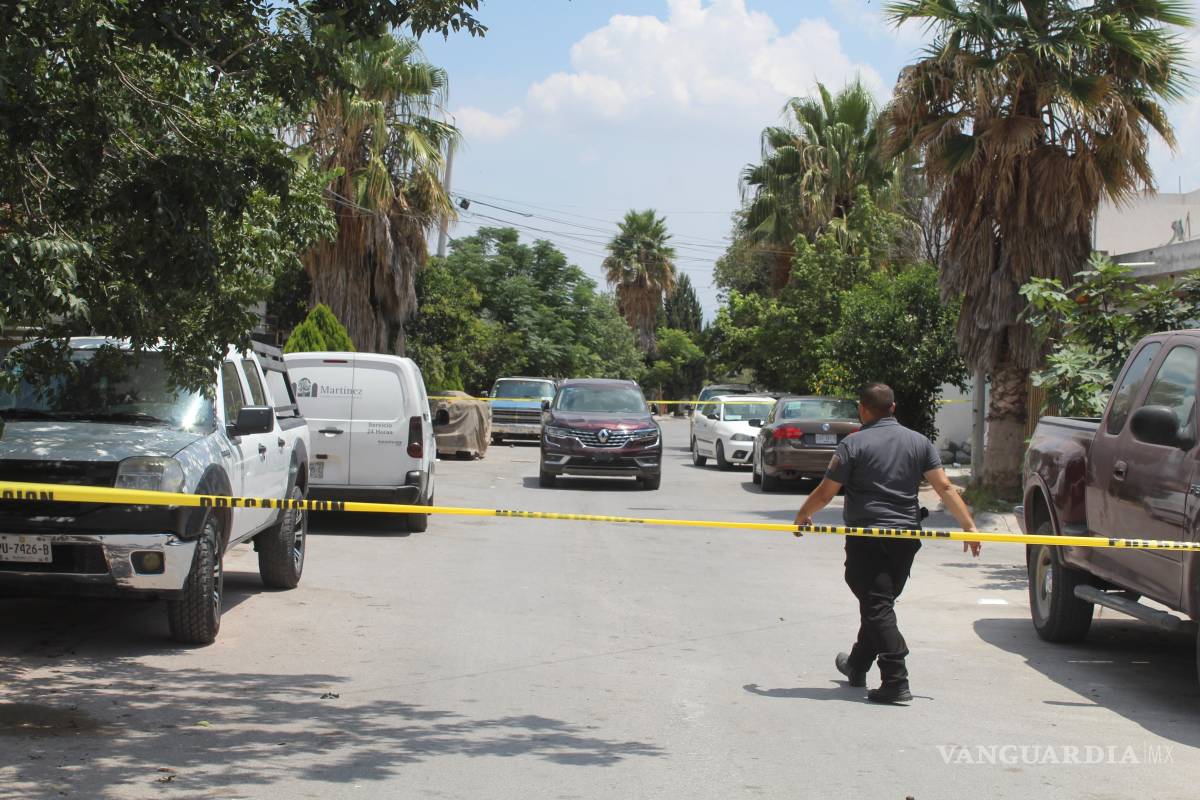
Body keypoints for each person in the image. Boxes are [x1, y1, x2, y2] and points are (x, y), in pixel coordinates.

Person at [793, 383, 980, 704]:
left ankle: (895, 678)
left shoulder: (853, 444)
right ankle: (856, 664)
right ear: (893, 408)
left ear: (862, 410)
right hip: (906, 538)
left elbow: (826, 492)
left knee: (877, 605)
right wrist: (969, 525)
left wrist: (803, 515)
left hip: (868, 538)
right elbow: (945, 487)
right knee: (879, 602)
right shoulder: (919, 442)